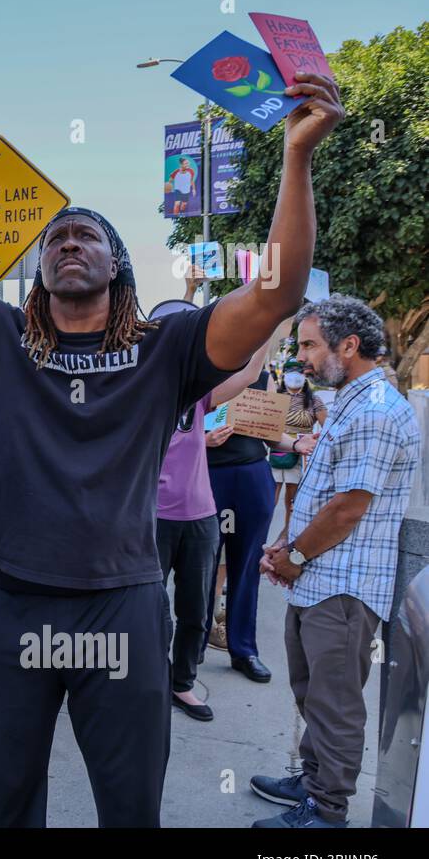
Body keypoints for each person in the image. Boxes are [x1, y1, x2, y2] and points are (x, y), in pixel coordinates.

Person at [0, 63, 344, 826]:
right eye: (56, 236)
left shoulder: (171, 346)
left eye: (85, 234)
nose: (67, 243)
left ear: (116, 261)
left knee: (130, 807)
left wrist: (297, 156)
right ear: (40, 267)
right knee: (9, 803)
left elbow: (277, 294)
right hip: (10, 603)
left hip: (120, 608)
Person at [253, 296, 422, 828]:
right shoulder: (350, 399)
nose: (300, 355)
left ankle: (327, 813)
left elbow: (348, 506)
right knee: (311, 693)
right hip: (318, 579)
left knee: (336, 704)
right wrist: (285, 546)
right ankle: (312, 779)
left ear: (349, 346)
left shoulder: (373, 411)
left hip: (343, 587)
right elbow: (320, 491)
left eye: (309, 344)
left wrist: (296, 555)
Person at [153, 301, 279, 721]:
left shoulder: (199, 391)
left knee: (195, 610)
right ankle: (147, 681)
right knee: (149, 608)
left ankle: (182, 684)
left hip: (200, 518)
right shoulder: (139, 388)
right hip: (152, 518)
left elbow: (244, 376)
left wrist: (267, 323)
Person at [203, 346, 316, 683]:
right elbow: (176, 428)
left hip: (252, 476)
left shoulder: (262, 378)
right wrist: (202, 439)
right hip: (206, 476)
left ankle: (243, 650)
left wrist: (295, 445)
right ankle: (191, 645)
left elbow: (269, 432)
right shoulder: (200, 374)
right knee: (201, 564)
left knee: (247, 564)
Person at [270, 357, 328, 539]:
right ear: (284, 375)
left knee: (293, 499)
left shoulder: (314, 400)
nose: (294, 376)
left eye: (299, 372)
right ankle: (260, 534)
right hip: (276, 449)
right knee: (270, 495)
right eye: (290, 372)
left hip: (302, 455)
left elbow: (327, 427)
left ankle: (287, 536)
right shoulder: (275, 398)